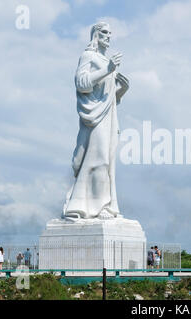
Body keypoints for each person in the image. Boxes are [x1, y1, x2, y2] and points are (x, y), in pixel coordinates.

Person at [62, 22, 129, 220]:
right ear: (96, 36)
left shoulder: (106, 61)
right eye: (105, 32)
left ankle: (105, 206)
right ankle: (88, 208)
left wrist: (122, 90)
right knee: (98, 158)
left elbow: (108, 96)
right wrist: (108, 69)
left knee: (107, 163)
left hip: (109, 117)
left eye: (110, 33)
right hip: (94, 118)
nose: (109, 36)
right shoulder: (88, 56)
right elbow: (82, 83)